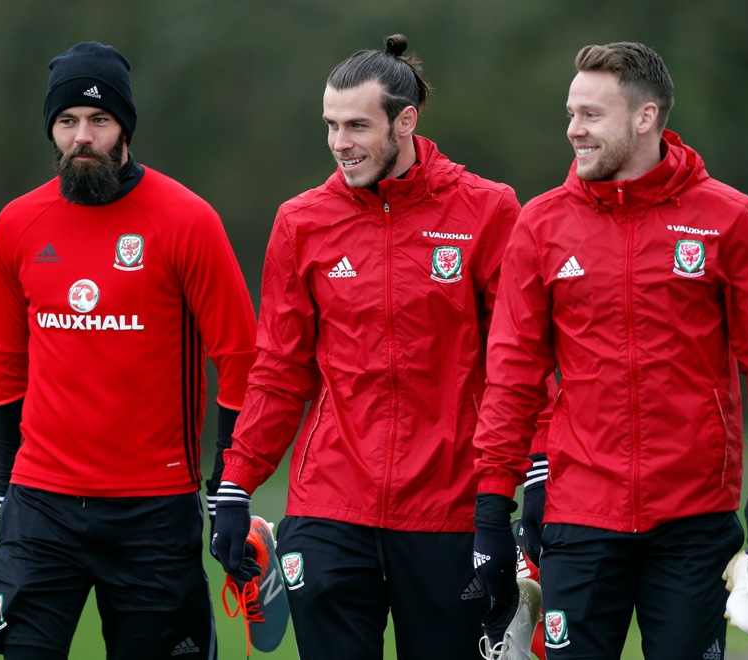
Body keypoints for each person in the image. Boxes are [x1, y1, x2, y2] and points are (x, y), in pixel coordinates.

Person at [471, 41, 748, 659]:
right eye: (571, 113)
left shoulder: (729, 218)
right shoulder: (541, 225)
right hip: (579, 519)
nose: (574, 130)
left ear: (645, 117)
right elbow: (512, 378)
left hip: (693, 520)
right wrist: (492, 508)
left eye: (591, 115)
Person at [209, 34, 523, 660]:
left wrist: (528, 474)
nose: (339, 143)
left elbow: (518, 365)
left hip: (447, 507)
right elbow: (278, 369)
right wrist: (237, 483)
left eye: (357, 125)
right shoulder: (301, 221)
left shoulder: (489, 210)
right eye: (330, 125)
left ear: (406, 121)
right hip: (330, 504)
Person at [0, 41, 258, 660]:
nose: (83, 136)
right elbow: (5, 359)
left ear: (125, 127)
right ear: (51, 129)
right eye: (68, 121)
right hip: (40, 503)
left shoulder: (186, 220)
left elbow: (240, 356)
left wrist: (229, 484)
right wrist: (6, 485)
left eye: (99, 120)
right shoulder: (17, 223)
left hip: (153, 509)